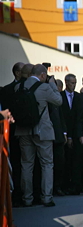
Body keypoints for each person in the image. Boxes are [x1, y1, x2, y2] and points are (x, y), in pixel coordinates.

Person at [14, 64, 62, 207]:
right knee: (47, 164)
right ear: (42, 75)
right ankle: (46, 197)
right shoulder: (45, 87)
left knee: (26, 165)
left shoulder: (19, 87)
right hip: (42, 131)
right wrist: (53, 85)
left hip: (23, 130)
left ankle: (27, 198)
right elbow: (59, 101)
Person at [0, 62, 23, 207]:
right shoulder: (7, 89)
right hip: (9, 134)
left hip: (23, 131)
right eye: (22, 71)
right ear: (16, 73)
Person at [60, 74, 83, 195]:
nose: (74, 85)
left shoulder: (79, 97)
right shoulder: (60, 96)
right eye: (71, 83)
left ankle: (76, 186)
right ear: (66, 82)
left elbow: (79, 117)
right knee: (65, 162)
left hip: (76, 133)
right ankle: (64, 185)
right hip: (64, 134)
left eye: (75, 83)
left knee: (76, 161)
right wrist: (66, 135)